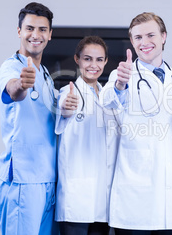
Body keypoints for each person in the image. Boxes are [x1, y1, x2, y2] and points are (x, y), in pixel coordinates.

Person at [99, 12, 172, 235]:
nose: (144, 42)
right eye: (138, 37)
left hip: (171, 197)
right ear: (132, 41)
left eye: (150, 35)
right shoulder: (122, 75)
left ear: (164, 37)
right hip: (134, 196)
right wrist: (120, 83)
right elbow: (109, 100)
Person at [0, 2, 58, 234]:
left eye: (43, 29)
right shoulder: (11, 67)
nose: (36, 34)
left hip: (47, 178)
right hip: (23, 178)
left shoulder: (45, 75)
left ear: (50, 35)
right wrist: (21, 84)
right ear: (19, 31)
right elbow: (13, 90)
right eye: (30, 28)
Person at [55, 36, 118, 235]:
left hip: (103, 201)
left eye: (99, 60)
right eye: (87, 59)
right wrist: (66, 108)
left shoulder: (108, 96)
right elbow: (64, 110)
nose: (94, 65)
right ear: (77, 60)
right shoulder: (67, 93)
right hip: (77, 200)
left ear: (106, 62)